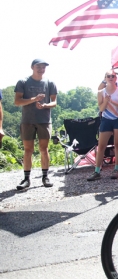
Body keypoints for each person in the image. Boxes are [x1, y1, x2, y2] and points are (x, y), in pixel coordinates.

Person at [14, 59, 58, 190]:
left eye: (43, 67)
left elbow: (54, 103)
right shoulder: (23, 82)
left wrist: (44, 105)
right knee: (28, 150)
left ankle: (45, 177)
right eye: (38, 66)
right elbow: (17, 101)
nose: (41, 69)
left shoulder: (50, 82)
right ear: (32, 67)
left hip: (44, 120)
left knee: (44, 149)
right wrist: (34, 99)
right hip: (27, 120)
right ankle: (26, 179)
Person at [87, 70, 118, 181]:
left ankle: (116, 169)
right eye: (108, 76)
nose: (110, 77)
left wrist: (112, 102)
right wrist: (106, 101)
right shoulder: (101, 92)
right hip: (106, 119)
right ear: (105, 78)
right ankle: (97, 171)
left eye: (113, 76)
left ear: (116, 78)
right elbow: (101, 108)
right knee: (101, 146)